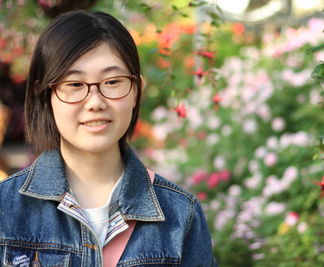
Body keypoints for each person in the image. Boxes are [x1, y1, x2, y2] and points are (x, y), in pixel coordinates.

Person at [0, 10, 216, 266]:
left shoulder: (180, 214)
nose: (95, 102)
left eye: (112, 82)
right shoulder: (6, 209)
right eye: (74, 84)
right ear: (45, 95)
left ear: (136, 90)